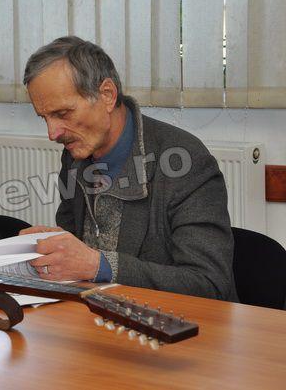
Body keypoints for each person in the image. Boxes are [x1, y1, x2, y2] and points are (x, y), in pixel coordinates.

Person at [20, 36, 237, 301]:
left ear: (107, 95)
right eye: (44, 118)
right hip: (98, 314)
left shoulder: (185, 161)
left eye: (62, 114)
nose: (52, 133)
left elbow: (208, 283)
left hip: (177, 321)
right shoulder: (75, 154)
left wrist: (100, 265)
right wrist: (55, 246)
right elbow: (78, 247)